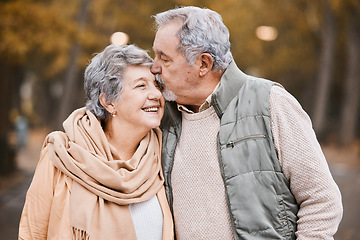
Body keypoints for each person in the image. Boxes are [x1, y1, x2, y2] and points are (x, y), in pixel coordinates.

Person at [151, 6, 343, 239]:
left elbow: (321, 199)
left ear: (203, 64)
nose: (154, 67)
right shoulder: (159, 116)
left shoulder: (271, 102)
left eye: (164, 58)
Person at [19, 44, 173, 240]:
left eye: (157, 85)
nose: (157, 95)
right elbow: (31, 234)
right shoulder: (60, 156)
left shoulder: (163, 155)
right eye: (141, 86)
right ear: (108, 102)